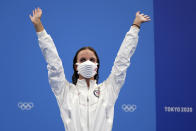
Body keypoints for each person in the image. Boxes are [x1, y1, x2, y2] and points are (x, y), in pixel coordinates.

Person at [29, 7, 151, 131]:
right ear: (76, 66)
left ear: (97, 66)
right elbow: (54, 63)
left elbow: (122, 60)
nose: (88, 63)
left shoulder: (109, 89)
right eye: (83, 60)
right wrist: (39, 28)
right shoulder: (64, 91)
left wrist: (135, 26)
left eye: (92, 60)